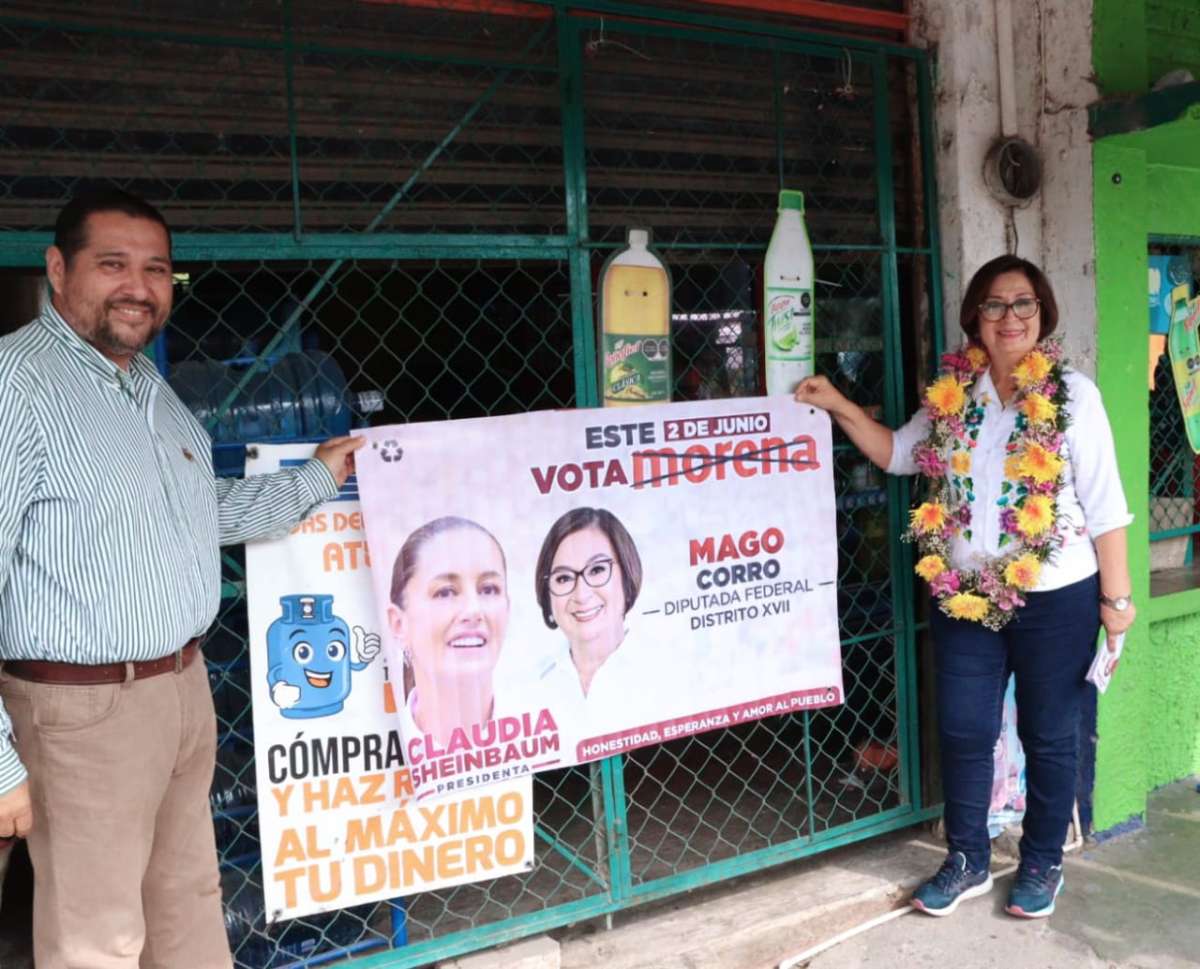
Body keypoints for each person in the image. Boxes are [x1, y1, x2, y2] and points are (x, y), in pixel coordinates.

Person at [0, 189, 363, 968]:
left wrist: (318, 478)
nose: (138, 286)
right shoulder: (15, 388)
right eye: (113, 264)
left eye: (156, 269)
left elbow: (204, 511)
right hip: (81, 714)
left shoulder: (148, 391)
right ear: (59, 270)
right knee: (98, 940)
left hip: (180, 692)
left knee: (187, 912)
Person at [795, 255, 1134, 920]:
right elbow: (896, 453)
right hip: (964, 594)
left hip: (1058, 595)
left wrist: (1116, 605)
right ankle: (968, 858)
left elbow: (1108, 507)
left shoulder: (1074, 397)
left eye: (1024, 304)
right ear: (974, 316)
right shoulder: (954, 397)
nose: (1011, 317)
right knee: (964, 727)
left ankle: (1041, 859)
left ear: (1044, 315)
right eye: (996, 305)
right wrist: (836, 403)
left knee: (1050, 733)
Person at [387, 516, 510, 747]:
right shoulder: (385, 748)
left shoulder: (561, 722)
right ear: (398, 624)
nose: (473, 610)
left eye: (488, 589)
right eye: (445, 592)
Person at [533, 508, 644, 725]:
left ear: (627, 573)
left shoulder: (667, 668)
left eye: (597, 570)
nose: (581, 595)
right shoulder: (530, 685)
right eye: (563, 578)